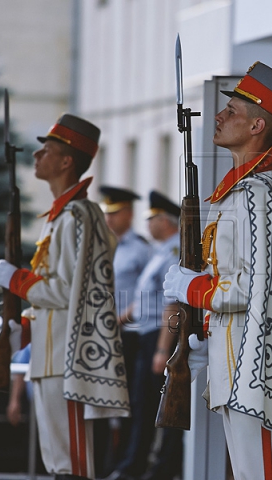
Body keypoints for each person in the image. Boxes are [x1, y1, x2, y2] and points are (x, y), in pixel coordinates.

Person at [163, 61, 272, 480]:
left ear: (258, 125)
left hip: (255, 370)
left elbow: (249, 288)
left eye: (234, 111)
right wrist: (208, 334)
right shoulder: (245, 191)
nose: (220, 116)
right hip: (240, 363)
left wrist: (193, 289)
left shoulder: (255, 193)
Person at [0, 113, 130, 480]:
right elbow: (53, 296)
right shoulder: (59, 216)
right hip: (49, 357)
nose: (37, 157)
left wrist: (18, 280)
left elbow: (68, 292)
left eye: (46, 151)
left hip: (69, 360)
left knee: (73, 462)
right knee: (58, 461)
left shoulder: (78, 215)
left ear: (67, 161)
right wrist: (23, 326)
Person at [105, 190, 183, 480]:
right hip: (146, 336)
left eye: (152, 218)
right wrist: (119, 320)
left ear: (165, 221)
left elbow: (172, 305)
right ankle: (137, 466)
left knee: (160, 405)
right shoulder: (162, 250)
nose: (147, 223)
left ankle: (161, 468)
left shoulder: (174, 251)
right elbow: (144, 300)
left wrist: (163, 350)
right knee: (144, 404)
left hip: (159, 338)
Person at [96, 186, 152, 477]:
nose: (109, 220)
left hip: (128, 335)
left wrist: (122, 317)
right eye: (106, 213)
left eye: (114, 213)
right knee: (100, 399)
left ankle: (125, 465)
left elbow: (150, 293)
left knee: (128, 400)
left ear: (129, 213)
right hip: (101, 336)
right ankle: (102, 465)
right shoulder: (101, 246)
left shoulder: (142, 249)